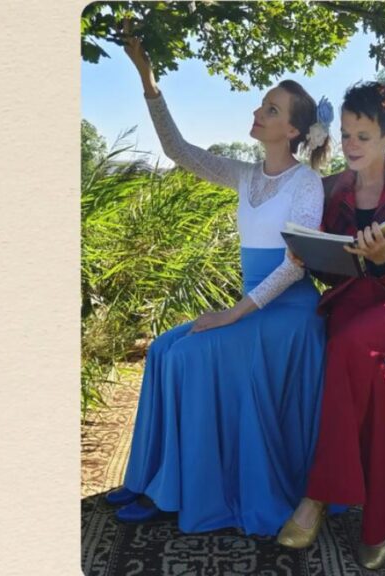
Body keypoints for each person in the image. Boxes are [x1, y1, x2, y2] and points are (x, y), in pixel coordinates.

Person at [103, 25, 335, 537]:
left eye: (271, 109)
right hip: (254, 306)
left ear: (293, 131)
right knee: (162, 349)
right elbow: (178, 151)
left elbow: (295, 265)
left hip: (289, 316)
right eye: (262, 105)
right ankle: (147, 477)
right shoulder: (244, 175)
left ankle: (175, 492)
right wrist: (148, 81)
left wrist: (232, 313)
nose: (258, 112)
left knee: (187, 356)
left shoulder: (307, 183)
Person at [276, 81, 385, 570]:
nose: (350, 145)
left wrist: (383, 257)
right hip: (349, 298)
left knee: (347, 345)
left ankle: (318, 496)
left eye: (363, 136)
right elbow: (333, 269)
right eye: (345, 134)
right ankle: (379, 518)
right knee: (362, 368)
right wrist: (308, 255)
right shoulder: (331, 190)